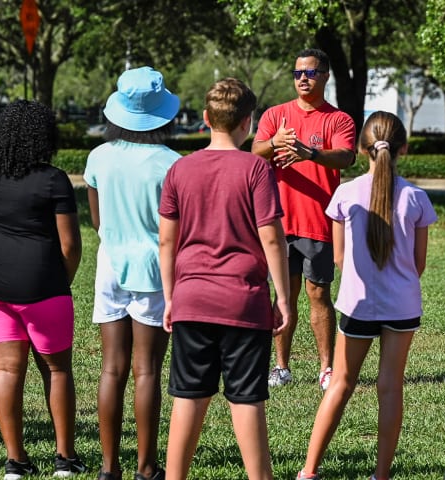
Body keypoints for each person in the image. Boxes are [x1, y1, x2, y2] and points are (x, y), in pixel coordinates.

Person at [158, 78, 291, 480]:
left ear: (204, 118)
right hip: (243, 301)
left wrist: (169, 298)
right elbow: (271, 237)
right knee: (247, 399)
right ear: (248, 123)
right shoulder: (255, 168)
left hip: (190, 298)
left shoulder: (179, 169)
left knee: (188, 397)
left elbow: (167, 241)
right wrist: (283, 297)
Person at [297, 111, 437, 480]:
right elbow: (419, 264)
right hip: (403, 304)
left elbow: (340, 257)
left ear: (361, 149)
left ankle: (309, 471)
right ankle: (381, 475)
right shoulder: (417, 197)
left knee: (341, 383)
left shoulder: (344, 193)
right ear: (403, 148)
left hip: (357, 304)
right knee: (390, 387)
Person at [84, 66, 180, 480]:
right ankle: (146, 467)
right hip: (154, 273)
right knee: (147, 370)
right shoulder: (172, 164)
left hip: (109, 266)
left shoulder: (98, 157)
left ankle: (108, 469)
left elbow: (97, 220)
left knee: (111, 368)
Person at [252, 48, 356, 391]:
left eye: (310, 73)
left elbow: (346, 157)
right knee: (283, 295)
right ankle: (280, 367)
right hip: (278, 224)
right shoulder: (275, 116)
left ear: (325, 76)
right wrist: (274, 143)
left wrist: (310, 153)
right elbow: (254, 151)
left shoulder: (338, 119)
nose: (303, 79)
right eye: (298, 73)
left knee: (318, 294)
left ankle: (326, 368)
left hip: (317, 223)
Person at [0, 100, 84, 479]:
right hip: (46, 285)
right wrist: (61, 280)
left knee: (5, 370)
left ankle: (16, 461)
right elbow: (70, 245)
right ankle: (65, 459)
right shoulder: (54, 179)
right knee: (58, 369)